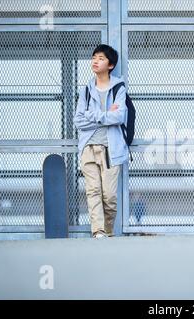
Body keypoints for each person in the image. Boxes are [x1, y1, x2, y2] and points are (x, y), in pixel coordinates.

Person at [73, 44, 129, 238]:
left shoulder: (118, 88)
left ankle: (108, 230)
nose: (95, 61)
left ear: (110, 65)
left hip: (110, 149)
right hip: (88, 147)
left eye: (101, 58)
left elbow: (120, 117)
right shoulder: (86, 91)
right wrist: (105, 115)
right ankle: (98, 232)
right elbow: (78, 120)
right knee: (93, 191)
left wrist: (93, 116)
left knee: (109, 196)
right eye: (94, 57)